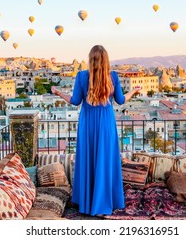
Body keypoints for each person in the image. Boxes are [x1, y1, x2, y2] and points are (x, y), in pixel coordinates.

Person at [51, 45, 141, 216]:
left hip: (88, 123)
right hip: (106, 122)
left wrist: (58, 93)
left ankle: (87, 201)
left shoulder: (81, 76)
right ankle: (105, 201)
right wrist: (134, 92)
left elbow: (75, 101)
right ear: (106, 59)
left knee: (88, 159)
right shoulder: (112, 76)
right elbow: (121, 101)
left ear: (90, 59)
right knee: (105, 159)